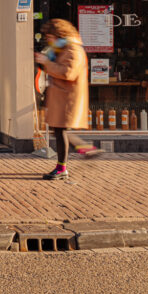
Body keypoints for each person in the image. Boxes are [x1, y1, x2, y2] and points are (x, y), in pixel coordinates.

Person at [34, 19, 99, 180]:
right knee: (58, 130)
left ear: (59, 35)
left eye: (50, 37)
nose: (48, 40)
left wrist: (47, 62)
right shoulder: (62, 48)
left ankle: (62, 168)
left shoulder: (73, 49)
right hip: (60, 97)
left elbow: (68, 73)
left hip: (67, 98)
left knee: (60, 131)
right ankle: (86, 149)